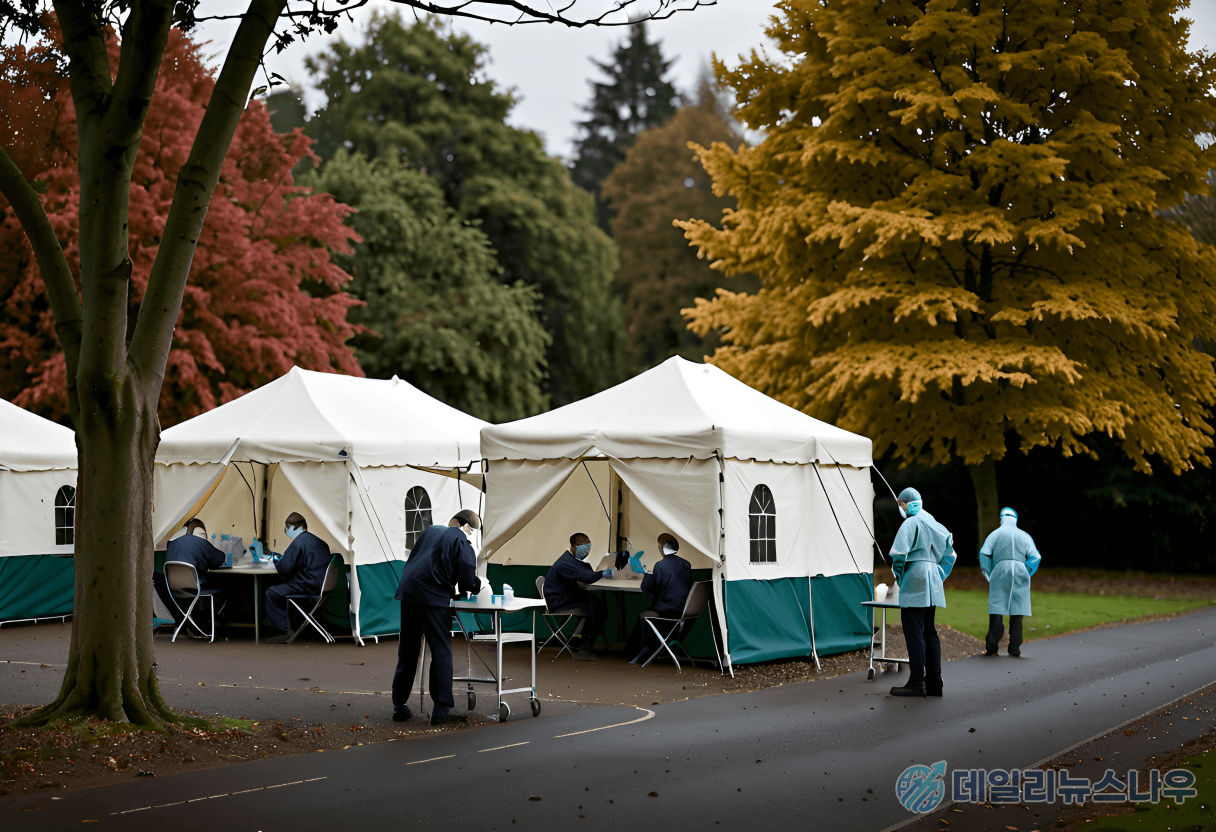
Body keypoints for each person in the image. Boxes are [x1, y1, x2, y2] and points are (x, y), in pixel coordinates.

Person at [391, 509, 485, 726]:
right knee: (441, 652)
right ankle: (441, 711)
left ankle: (399, 705)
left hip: (408, 594)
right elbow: (468, 579)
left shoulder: (430, 531)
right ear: (466, 527)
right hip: (433, 600)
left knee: (407, 651)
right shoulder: (460, 541)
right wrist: (479, 585)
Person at [888, 487, 957, 698]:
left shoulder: (910, 522)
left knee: (914, 630)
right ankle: (935, 682)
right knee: (929, 631)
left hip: (915, 576)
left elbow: (899, 554)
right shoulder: (936, 524)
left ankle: (916, 682)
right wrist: (939, 574)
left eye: (900, 505)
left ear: (906, 504)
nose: (900, 509)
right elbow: (951, 555)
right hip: (933, 578)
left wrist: (900, 576)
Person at [979, 507, 1041, 657]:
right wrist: (1027, 570)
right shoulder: (1024, 536)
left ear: (1002, 518)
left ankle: (992, 646)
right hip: (1020, 570)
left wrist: (988, 572)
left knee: (996, 607)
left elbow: (984, 553)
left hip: (1000, 570)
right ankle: (1014, 647)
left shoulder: (995, 534)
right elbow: (1035, 557)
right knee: (1018, 609)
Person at [262, 512, 332, 644]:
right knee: (282, 587)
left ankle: (283, 630)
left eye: (287, 527)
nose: (286, 530)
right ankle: (292, 625)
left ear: (293, 527)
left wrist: (273, 560)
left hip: (307, 587)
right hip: (321, 586)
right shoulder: (319, 542)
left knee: (271, 592)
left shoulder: (299, 542)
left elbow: (284, 569)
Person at [627, 533, 693, 664]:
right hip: (686, 612)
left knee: (643, 616)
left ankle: (639, 652)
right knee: (646, 615)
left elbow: (654, 589)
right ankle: (648, 650)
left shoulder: (660, 565)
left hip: (668, 612)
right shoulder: (686, 564)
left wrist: (643, 574)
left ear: (661, 548)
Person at [543, 532, 610, 661]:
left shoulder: (571, 560)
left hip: (565, 599)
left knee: (599, 608)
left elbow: (586, 572)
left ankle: (583, 643)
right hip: (559, 603)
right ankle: (584, 650)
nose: (588, 550)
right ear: (576, 545)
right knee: (598, 610)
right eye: (586, 546)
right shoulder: (565, 562)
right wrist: (605, 572)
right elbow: (589, 577)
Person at [165, 518, 226, 586]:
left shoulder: (171, 544)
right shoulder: (199, 541)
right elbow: (220, 559)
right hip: (195, 588)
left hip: (174, 590)